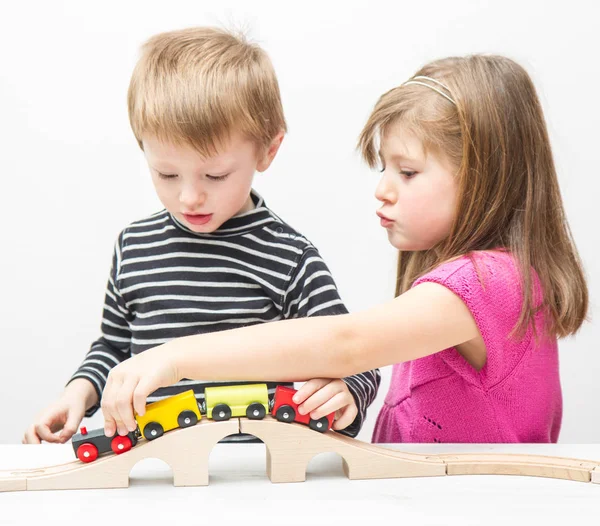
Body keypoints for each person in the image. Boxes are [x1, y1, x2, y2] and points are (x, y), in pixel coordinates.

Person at [99, 54, 589, 444]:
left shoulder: (485, 284)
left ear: (486, 175)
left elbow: (346, 345)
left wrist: (173, 358)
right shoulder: (484, 283)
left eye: (408, 172)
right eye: (384, 168)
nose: (383, 189)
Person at [22, 27, 381, 445]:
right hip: (151, 468)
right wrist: (76, 393)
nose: (190, 196)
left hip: (256, 475)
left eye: (215, 175)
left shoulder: (289, 257)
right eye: (167, 174)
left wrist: (347, 392)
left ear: (268, 150)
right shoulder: (133, 247)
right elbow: (115, 346)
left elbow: (359, 356)